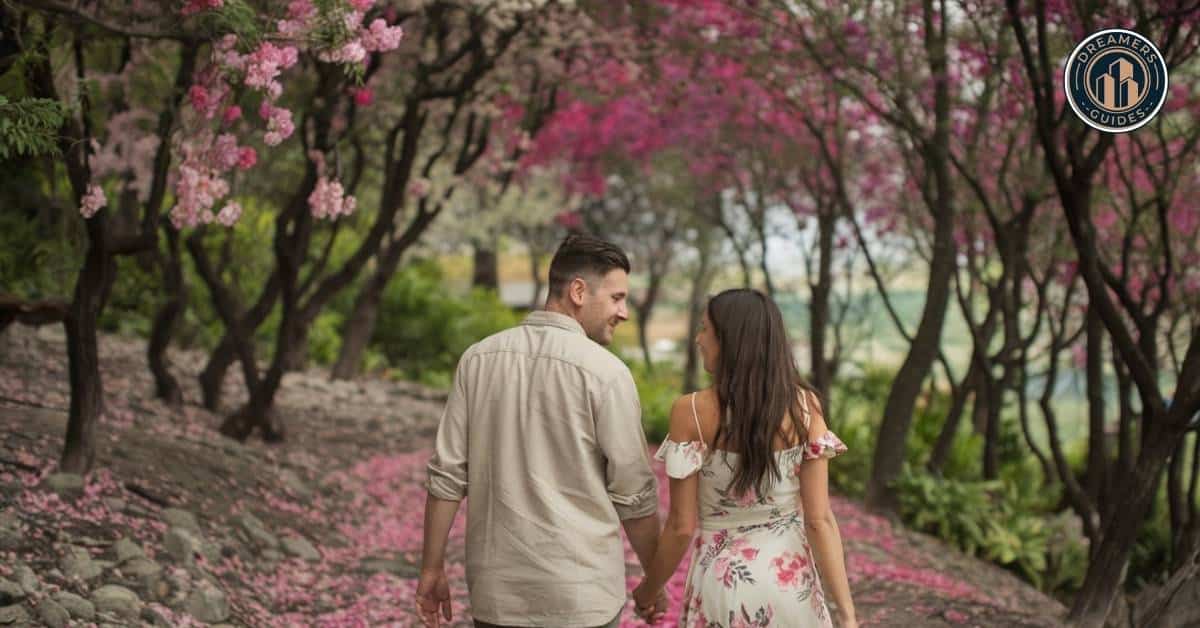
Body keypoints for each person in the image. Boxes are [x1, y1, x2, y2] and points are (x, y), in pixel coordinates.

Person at [417, 234, 668, 627]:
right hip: (582, 597)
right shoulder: (606, 374)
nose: (624, 312)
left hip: (498, 597)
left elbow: (447, 475)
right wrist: (654, 582)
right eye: (617, 298)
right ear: (579, 291)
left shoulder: (478, 359)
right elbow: (634, 494)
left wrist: (430, 568)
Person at [632, 288, 858, 627]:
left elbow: (681, 527)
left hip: (723, 589)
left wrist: (647, 593)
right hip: (791, 589)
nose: (698, 339)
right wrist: (848, 616)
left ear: (730, 340)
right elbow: (820, 520)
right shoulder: (805, 407)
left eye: (705, 329)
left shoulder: (691, 412)